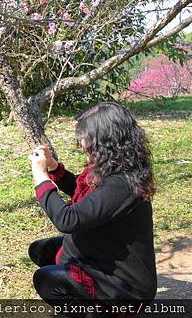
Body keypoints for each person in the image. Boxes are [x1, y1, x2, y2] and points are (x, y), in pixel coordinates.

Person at [28, 102, 156, 316]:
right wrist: (53, 168)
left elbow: (67, 220)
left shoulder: (123, 184)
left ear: (106, 140)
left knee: (47, 280)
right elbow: (85, 193)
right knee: (41, 251)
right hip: (105, 254)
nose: (83, 143)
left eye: (87, 138)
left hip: (126, 288)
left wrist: (41, 179)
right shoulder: (117, 168)